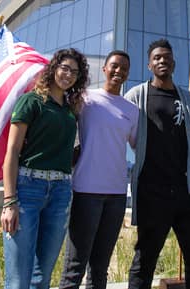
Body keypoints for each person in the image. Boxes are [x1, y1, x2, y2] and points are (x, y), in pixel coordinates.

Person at [125, 39, 190, 289]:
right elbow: (124, 133)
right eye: (157, 58)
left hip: (189, 193)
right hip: (153, 193)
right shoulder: (136, 96)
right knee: (144, 262)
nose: (162, 61)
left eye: (166, 57)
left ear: (174, 63)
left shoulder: (188, 99)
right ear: (149, 65)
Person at [1, 48, 89, 289]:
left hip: (60, 192)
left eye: (75, 72)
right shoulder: (31, 101)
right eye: (65, 68)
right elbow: (11, 152)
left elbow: (67, 151)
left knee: (42, 278)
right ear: (54, 68)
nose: (68, 75)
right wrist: (10, 202)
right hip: (27, 189)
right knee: (19, 278)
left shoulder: (71, 110)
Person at [59, 50, 138, 289]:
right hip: (85, 192)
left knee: (100, 268)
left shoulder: (132, 111)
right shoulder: (84, 99)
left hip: (115, 196)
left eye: (124, 68)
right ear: (104, 69)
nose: (118, 71)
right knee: (74, 267)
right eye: (114, 66)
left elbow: (139, 147)